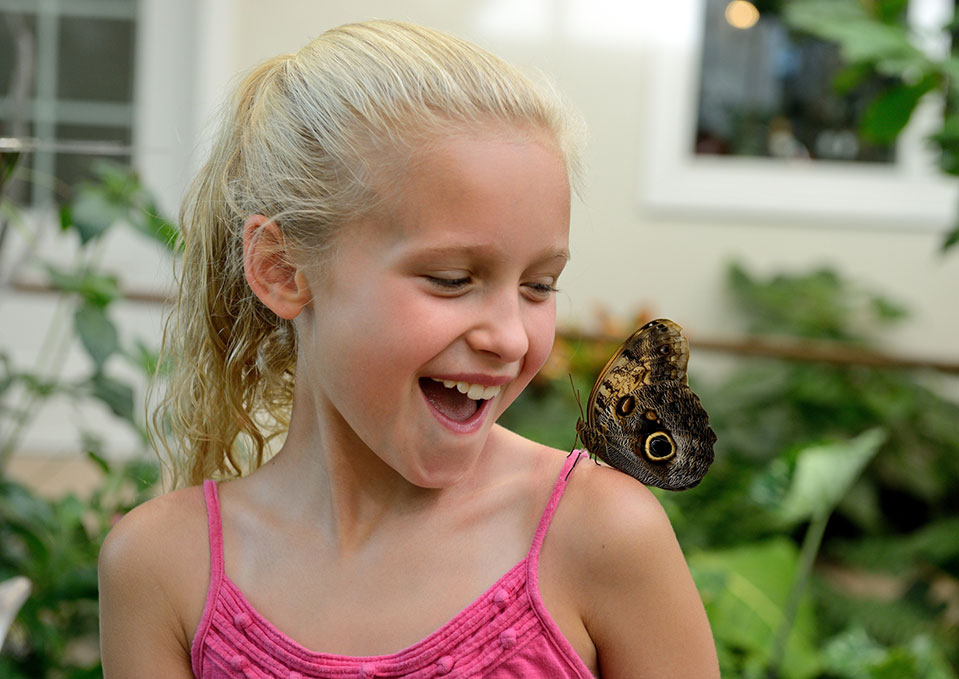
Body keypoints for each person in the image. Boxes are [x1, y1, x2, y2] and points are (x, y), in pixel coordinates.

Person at [98, 19, 719, 678]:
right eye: (452, 280)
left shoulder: (600, 537)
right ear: (283, 270)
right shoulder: (164, 567)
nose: (509, 336)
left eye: (539, 285)